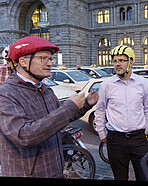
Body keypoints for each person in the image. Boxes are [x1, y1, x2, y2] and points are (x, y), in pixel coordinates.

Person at [0, 36, 98, 177]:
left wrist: (86, 104)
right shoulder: (6, 93)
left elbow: (60, 118)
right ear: (23, 61)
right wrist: (70, 106)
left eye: (50, 59)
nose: (49, 63)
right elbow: (24, 136)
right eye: (43, 58)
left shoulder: (46, 90)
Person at [94, 45, 148, 181]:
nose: (117, 64)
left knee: (145, 177)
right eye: (115, 61)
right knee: (120, 177)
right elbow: (100, 109)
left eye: (121, 60)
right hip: (116, 140)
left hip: (139, 139)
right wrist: (101, 132)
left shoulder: (143, 83)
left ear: (131, 62)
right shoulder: (106, 85)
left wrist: (147, 127)